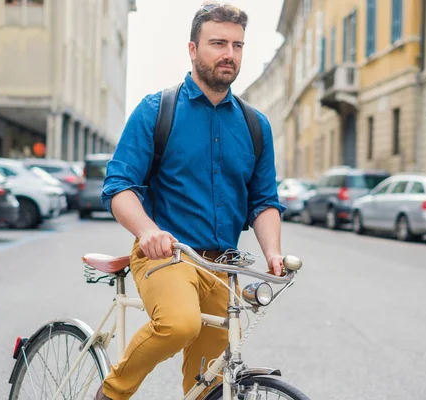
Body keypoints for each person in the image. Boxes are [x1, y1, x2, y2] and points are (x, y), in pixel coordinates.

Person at [97, 2, 286, 399]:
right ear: (193, 49)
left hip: (223, 266)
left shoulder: (255, 125)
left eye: (237, 45)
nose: (229, 54)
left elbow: (264, 200)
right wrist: (148, 231)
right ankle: (110, 394)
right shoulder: (157, 110)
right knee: (180, 324)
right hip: (167, 256)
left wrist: (273, 252)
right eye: (218, 43)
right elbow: (119, 187)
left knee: (209, 382)